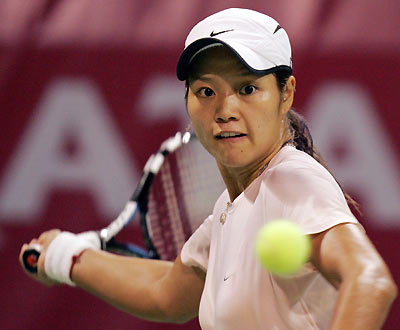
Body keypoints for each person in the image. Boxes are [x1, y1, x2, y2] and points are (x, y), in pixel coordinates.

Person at [20, 8, 397, 330]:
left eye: (248, 89)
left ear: (286, 93)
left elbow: (370, 280)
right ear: (186, 101)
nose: (225, 109)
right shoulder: (229, 210)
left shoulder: (291, 180)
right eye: (206, 91)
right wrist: (65, 257)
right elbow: (166, 292)